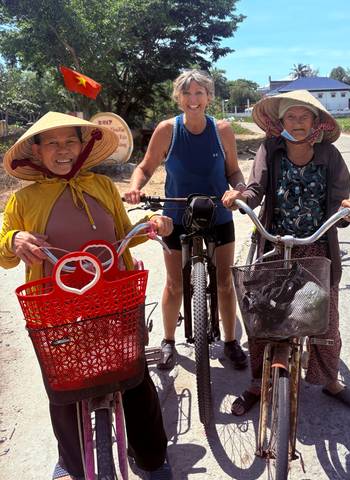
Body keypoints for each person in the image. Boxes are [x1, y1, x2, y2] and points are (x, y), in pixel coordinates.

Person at [0, 112, 174, 480]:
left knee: (133, 376)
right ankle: (71, 461)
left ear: (83, 147)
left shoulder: (101, 186)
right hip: (55, 306)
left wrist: (153, 226)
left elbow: (126, 233)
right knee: (63, 387)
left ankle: (152, 457)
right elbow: (4, 254)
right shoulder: (24, 199)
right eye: (52, 143)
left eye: (70, 142)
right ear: (37, 150)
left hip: (114, 295)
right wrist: (14, 239)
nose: (62, 150)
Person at [222, 89, 350, 414]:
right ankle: (258, 382)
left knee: (324, 321)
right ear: (281, 121)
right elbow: (256, 187)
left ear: (316, 122)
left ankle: (329, 380)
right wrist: (239, 195)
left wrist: (346, 208)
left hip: (316, 246)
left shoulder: (330, 155)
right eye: (291, 116)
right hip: (274, 244)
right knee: (264, 317)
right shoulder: (270, 150)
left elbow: (340, 198)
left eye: (304, 117)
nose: (298, 123)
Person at [124, 69, 248, 370]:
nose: (193, 99)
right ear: (178, 97)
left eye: (199, 93)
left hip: (218, 212)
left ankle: (230, 341)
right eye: (187, 93)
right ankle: (167, 340)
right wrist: (134, 188)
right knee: (175, 284)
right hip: (176, 214)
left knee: (224, 283)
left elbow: (233, 171)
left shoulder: (222, 130)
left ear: (209, 97)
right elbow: (146, 166)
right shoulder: (168, 129)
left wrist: (239, 189)